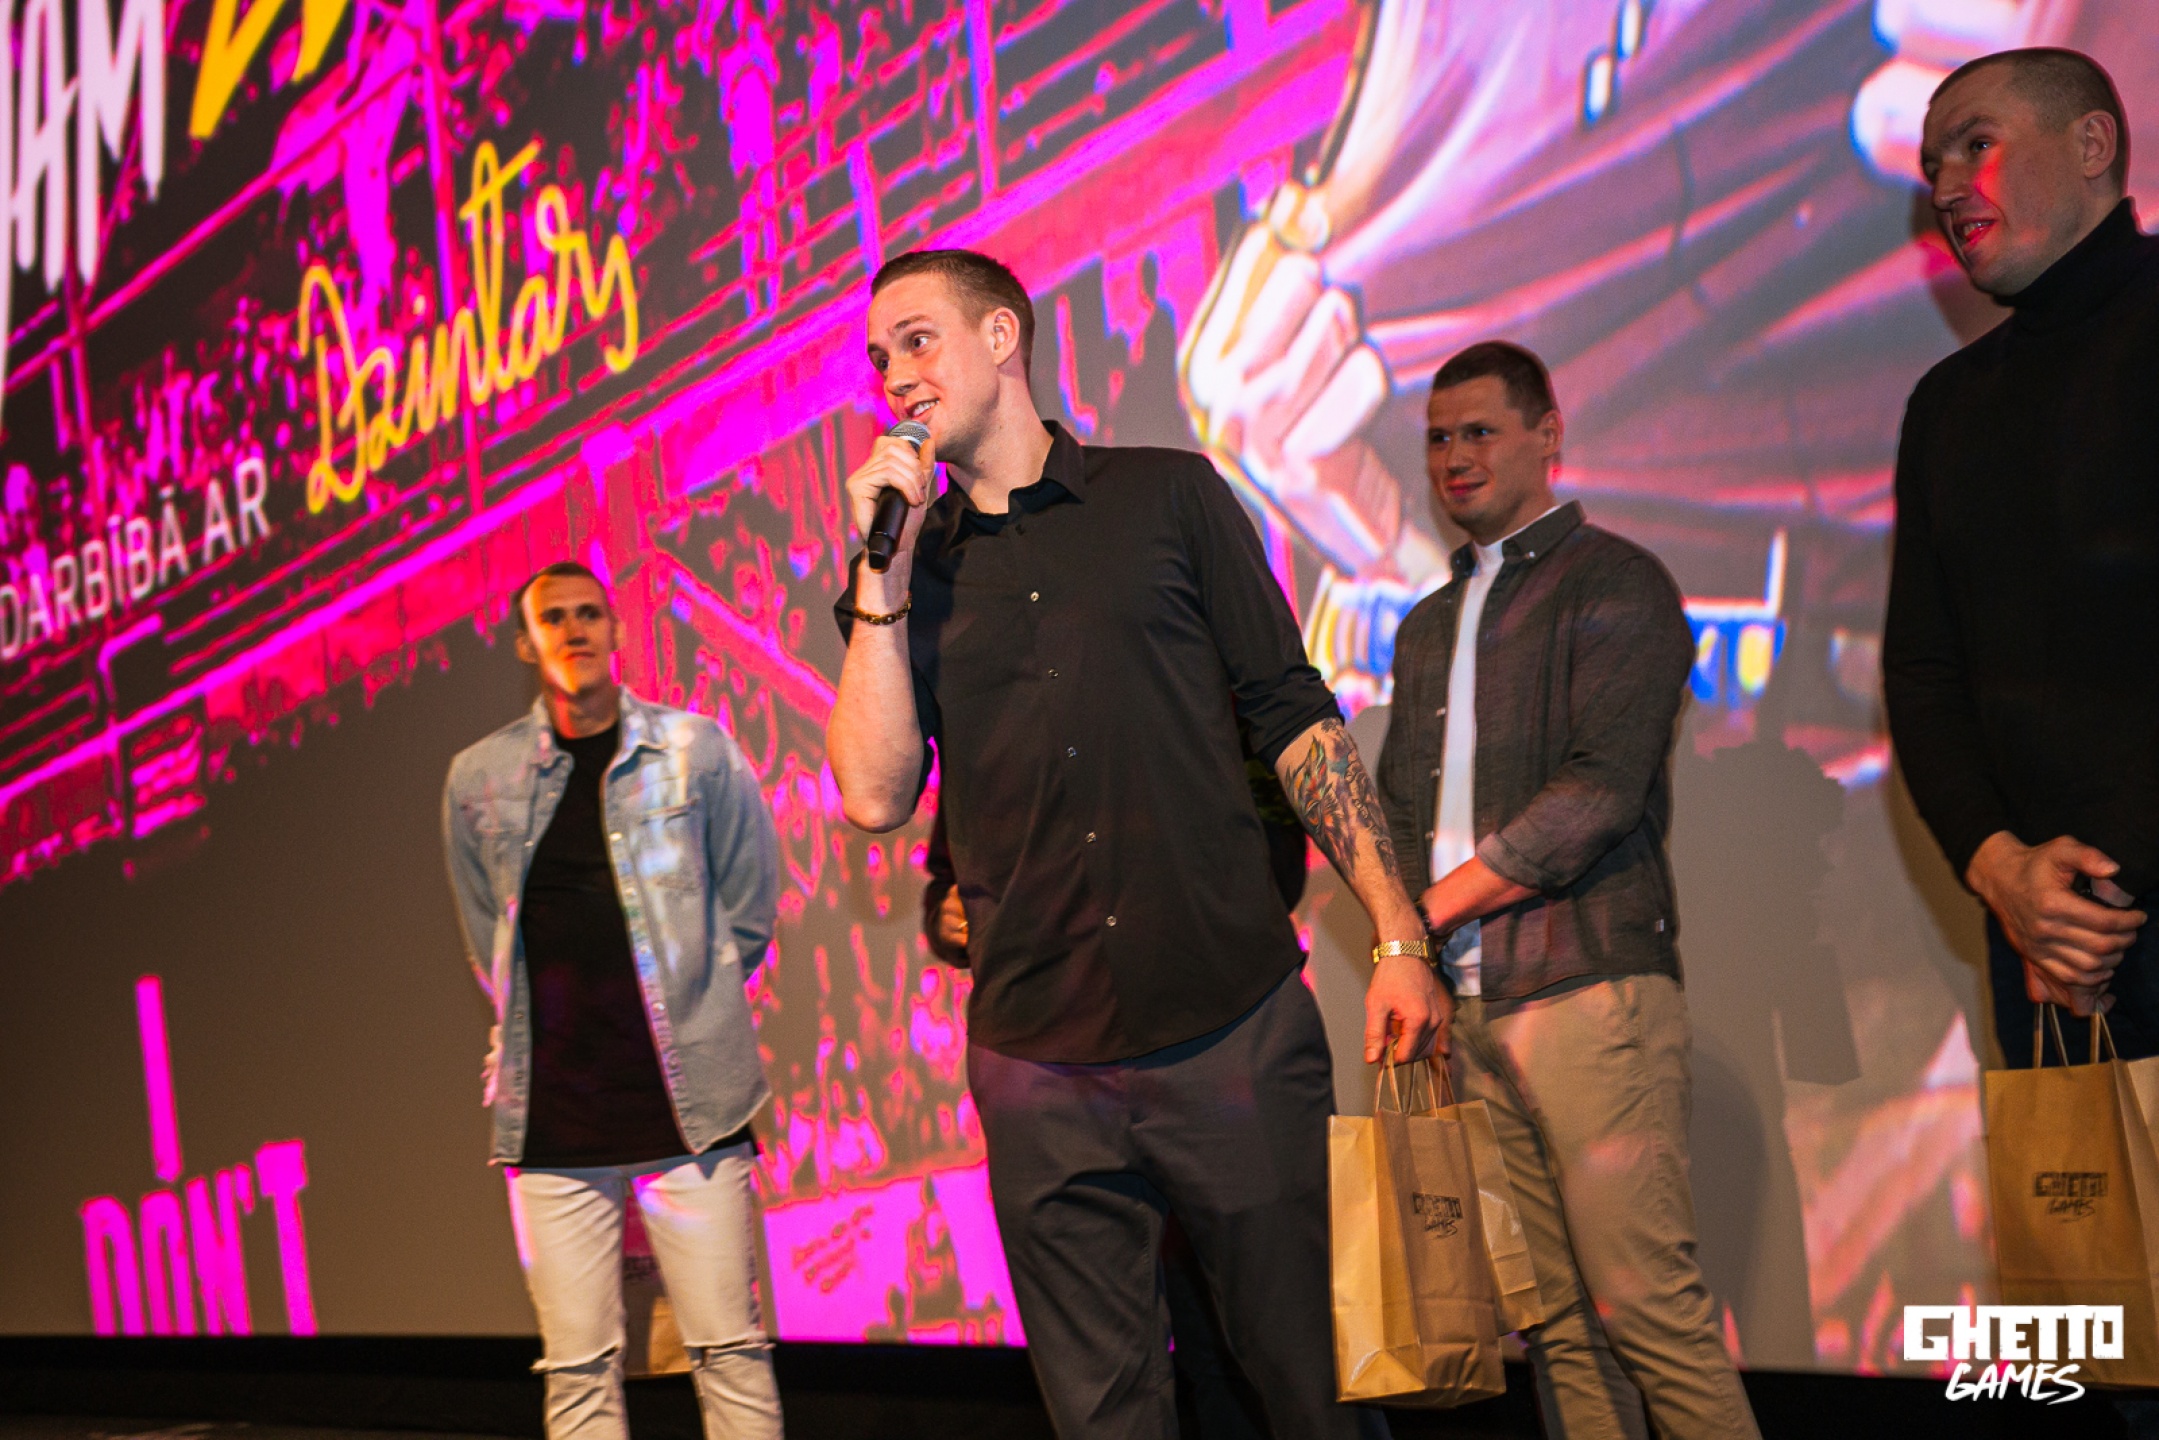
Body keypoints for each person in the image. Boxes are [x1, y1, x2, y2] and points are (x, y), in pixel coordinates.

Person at [827, 247, 1441, 1439]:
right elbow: (871, 794)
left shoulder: (1167, 497)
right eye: (877, 357)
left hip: (1227, 1031)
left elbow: (1293, 716)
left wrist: (1396, 932)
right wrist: (881, 576)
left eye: (917, 339)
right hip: (1038, 1067)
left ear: (1000, 337)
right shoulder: (904, 575)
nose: (893, 375)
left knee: (1313, 1392)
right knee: (1104, 1417)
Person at [1376, 342, 1760, 1440]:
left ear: (1547, 435)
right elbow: (1400, 809)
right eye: (1437, 438)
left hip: (1587, 992)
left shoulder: (1617, 582)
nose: (1454, 457)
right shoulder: (1426, 624)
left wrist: (1420, 921)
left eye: (1479, 432)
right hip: (1464, 1009)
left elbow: (1596, 794)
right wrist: (1411, 948)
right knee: (1553, 1328)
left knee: (1650, 1315)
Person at [442, 561, 785, 1440]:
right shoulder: (479, 777)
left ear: (616, 629)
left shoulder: (695, 751)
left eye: (589, 612)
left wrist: (696, 1005)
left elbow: (749, 912)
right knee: (578, 1372)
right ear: (527, 645)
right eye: (552, 618)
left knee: (731, 1355)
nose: (574, 629)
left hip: (690, 1111)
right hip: (552, 1124)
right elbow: (488, 939)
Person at [1885, 47, 2156, 1066]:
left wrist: (2094, 887)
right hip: (2043, 940)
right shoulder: (1945, 406)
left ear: (2091, 143)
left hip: (2086, 916)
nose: (1947, 186)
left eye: (1975, 145)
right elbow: (1922, 672)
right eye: (1931, 167)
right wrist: (2000, 872)